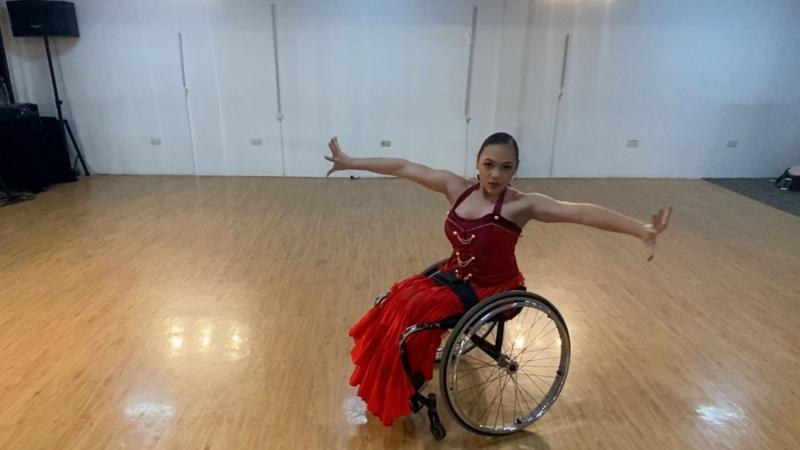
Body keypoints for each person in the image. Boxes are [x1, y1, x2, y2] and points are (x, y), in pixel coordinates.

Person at [325, 132, 672, 426]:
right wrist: (351, 162)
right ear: (477, 162)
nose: (495, 174)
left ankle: (406, 378)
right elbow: (403, 167)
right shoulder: (455, 188)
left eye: (506, 167)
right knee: (395, 299)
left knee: (414, 308)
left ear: (515, 170)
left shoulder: (521, 206)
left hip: (493, 288)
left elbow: (579, 212)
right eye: (489, 164)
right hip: (455, 274)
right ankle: (394, 377)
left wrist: (640, 229)